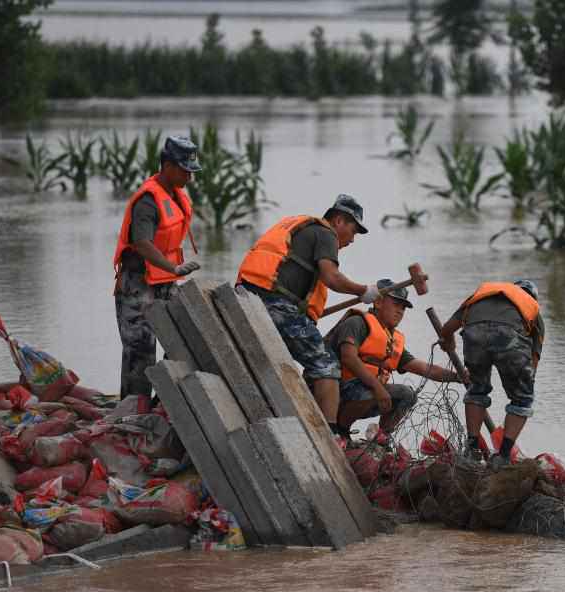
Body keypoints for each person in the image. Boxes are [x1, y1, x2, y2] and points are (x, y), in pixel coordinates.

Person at [236, 194, 382, 442]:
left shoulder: (301, 227)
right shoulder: (326, 234)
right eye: (354, 230)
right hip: (276, 304)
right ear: (339, 220)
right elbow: (331, 277)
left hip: (249, 296)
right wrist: (363, 291)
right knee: (327, 364)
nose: (353, 239)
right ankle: (331, 435)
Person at [112, 136, 202, 399]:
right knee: (140, 349)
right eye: (185, 171)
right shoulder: (148, 201)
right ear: (168, 166)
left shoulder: (175, 196)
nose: (190, 177)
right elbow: (142, 243)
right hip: (138, 284)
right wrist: (173, 269)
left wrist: (172, 273)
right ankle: (132, 411)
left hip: (164, 282)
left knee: (184, 336)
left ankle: (166, 402)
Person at [324, 279, 464, 442]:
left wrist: (457, 376)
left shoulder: (391, 340)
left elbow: (426, 368)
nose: (400, 311)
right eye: (396, 304)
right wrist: (378, 387)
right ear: (378, 302)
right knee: (367, 393)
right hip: (336, 391)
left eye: (403, 308)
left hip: (365, 393)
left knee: (407, 395)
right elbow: (348, 357)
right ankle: (341, 430)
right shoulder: (357, 323)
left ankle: (381, 440)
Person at [438, 280, 545, 471]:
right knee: (523, 398)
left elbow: (446, 329)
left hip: (473, 333)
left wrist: (450, 343)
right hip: (509, 334)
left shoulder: (483, 295)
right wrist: (523, 384)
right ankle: (503, 456)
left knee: (477, 389)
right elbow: (533, 360)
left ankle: (471, 449)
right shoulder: (530, 306)